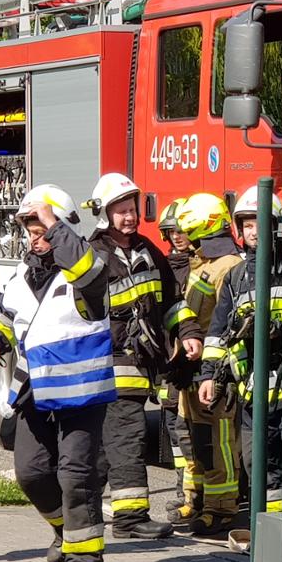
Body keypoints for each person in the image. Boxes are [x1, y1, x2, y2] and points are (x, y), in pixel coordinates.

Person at [0, 185, 116, 562]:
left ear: (65, 228)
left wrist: (55, 226)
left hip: (81, 394)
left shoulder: (89, 271)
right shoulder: (23, 275)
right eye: (32, 230)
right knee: (32, 473)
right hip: (34, 391)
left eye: (45, 230)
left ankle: (84, 561)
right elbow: (6, 315)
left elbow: (87, 271)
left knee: (77, 475)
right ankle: (64, 531)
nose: (36, 238)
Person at [197, 185, 282, 515]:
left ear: (275, 225)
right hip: (254, 394)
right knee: (259, 470)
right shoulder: (235, 277)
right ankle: (272, 542)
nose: (253, 231)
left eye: (259, 223)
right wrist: (208, 377)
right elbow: (217, 332)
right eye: (246, 225)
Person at [85, 173, 201, 539]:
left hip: (140, 364)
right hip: (109, 362)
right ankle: (130, 518)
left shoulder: (149, 251)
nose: (129, 216)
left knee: (107, 448)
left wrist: (188, 332)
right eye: (120, 210)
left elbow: (171, 302)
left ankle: (80, 515)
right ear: (105, 214)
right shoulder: (94, 257)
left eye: (132, 208)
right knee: (127, 438)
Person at [171, 193, 245, 536]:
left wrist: (215, 372)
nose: (184, 238)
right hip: (192, 370)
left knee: (219, 444)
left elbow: (223, 324)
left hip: (214, 373)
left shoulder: (227, 265)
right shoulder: (201, 262)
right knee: (193, 439)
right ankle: (196, 499)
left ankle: (222, 508)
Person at [154, 198, 202, 525]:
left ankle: (199, 493)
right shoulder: (163, 267)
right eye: (172, 232)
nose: (178, 237)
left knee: (197, 429)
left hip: (196, 360)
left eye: (183, 231)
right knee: (174, 428)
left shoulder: (202, 265)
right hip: (169, 364)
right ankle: (182, 488)